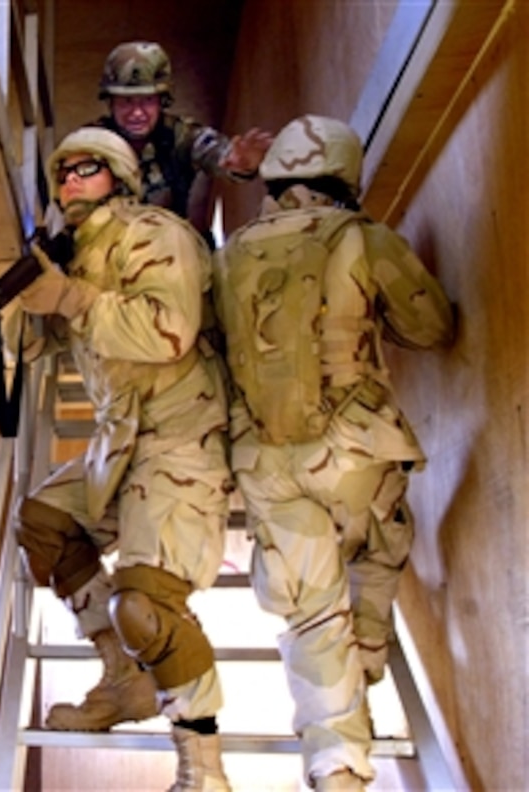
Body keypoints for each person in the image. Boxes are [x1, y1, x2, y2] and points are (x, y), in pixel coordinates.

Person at [212, 115, 456, 791]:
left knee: (310, 613)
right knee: (382, 544)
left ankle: (337, 765)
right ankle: (367, 663)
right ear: (344, 176)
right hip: (351, 451)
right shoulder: (360, 236)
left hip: (263, 462)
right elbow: (432, 325)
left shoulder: (228, 254)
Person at [7, 126, 234, 791]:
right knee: (44, 521)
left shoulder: (154, 233)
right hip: (119, 439)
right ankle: (124, 679)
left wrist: (73, 299)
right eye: (63, 172)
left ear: (121, 176)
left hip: (179, 433)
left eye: (87, 168)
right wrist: (27, 304)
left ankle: (203, 771)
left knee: (147, 605)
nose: (70, 179)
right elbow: (37, 349)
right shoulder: (74, 256)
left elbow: (168, 332)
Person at [91, 41, 273, 235]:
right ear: (110, 102)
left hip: (168, 249)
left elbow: (214, 151)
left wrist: (239, 163)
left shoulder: (180, 134)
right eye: (126, 101)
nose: (137, 113)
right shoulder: (90, 142)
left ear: (162, 101)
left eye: (147, 100)